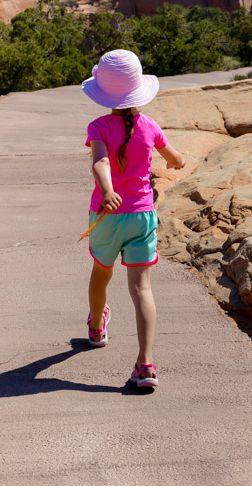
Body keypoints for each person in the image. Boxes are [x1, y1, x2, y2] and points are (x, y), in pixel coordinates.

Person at [81, 49, 185, 389]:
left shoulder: (98, 126)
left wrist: (108, 191)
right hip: (141, 215)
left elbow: (101, 162)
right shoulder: (150, 126)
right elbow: (176, 159)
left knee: (101, 273)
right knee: (142, 288)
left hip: (108, 217)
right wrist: (176, 162)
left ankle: (97, 328)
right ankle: (146, 364)